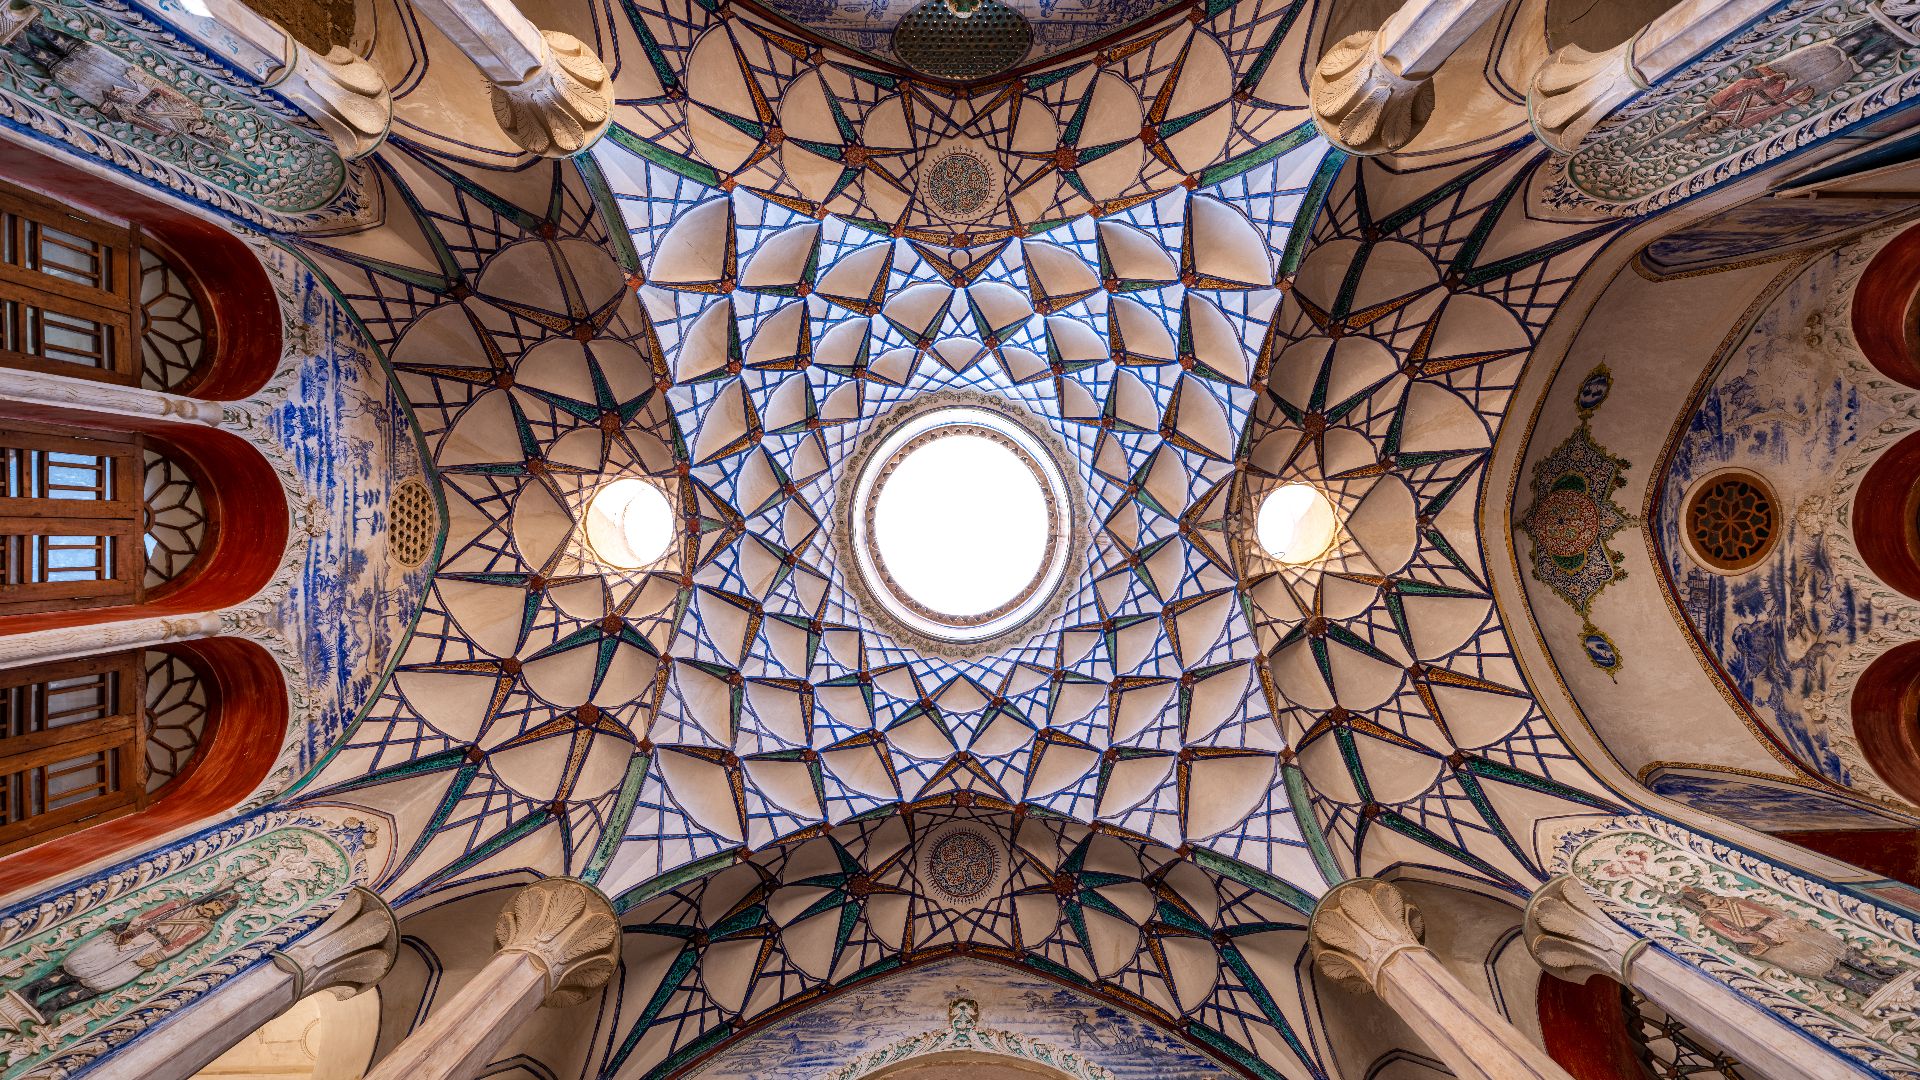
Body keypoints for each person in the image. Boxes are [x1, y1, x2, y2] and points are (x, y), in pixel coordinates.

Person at [19, 890, 241, 1014]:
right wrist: (133, 929)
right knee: (86, 963)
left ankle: (54, 1005)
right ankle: (33, 988)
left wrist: (157, 956)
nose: (214, 909)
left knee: (107, 979)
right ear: (210, 900)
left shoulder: (204, 926)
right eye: (216, 904)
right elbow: (148, 915)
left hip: (152, 948)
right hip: (137, 934)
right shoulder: (181, 904)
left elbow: (180, 944)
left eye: (220, 909)